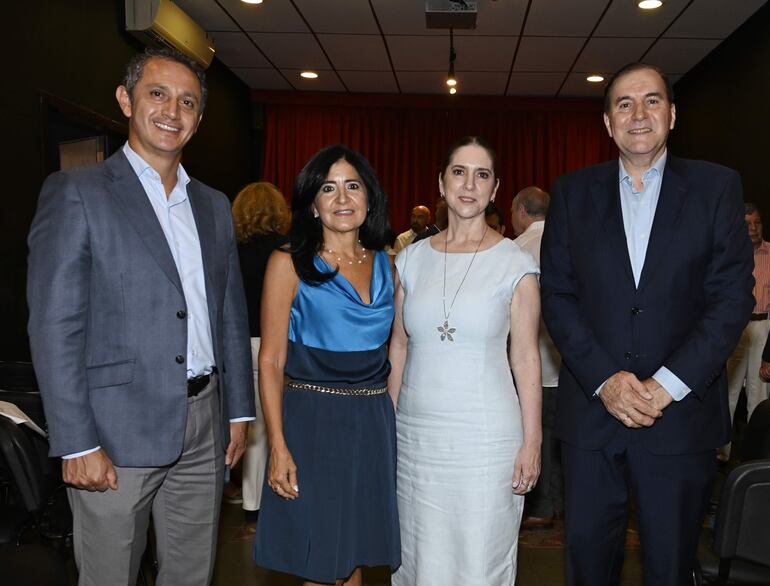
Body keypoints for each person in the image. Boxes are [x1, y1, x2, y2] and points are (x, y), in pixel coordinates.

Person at [26, 48, 254, 585]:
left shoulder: (215, 206)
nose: (172, 110)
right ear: (126, 100)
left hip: (204, 427)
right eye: (158, 94)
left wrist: (238, 411)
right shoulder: (77, 193)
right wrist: (77, 441)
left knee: (191, 574)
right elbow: (54, 325)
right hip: (114, 430)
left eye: (188, 102)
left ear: (198, 121)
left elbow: (227, 312)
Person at [540, 62, 753, 586]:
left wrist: (667, 386)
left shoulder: (716, 188)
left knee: (670, 567)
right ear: (608, 124)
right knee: (587, 565)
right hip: (592, 416)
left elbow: (730, 299)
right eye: (624, 104)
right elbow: (558, 296)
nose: (639, 114)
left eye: (652, 101)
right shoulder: (571, 193)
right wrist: (607, 381)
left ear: (673, 115)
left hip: (680, 420)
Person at [389, 136, 542, 585]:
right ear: (441, 182)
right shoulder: (410, 260)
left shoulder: (515, 263)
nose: (469, 184)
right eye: (459, 172)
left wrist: (531, 443)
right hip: (415, 440)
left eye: (482, 174)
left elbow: (527, 358)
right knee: (418, 556)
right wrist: (388, 424)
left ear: (495, 189)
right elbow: (398, 347)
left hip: (487, 440)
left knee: (479, 558)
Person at [253, 145, 400, 585]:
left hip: (372, 423)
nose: (341, 198)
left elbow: (399, 352)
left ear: (369, 199)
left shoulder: (389, 267)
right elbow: (271, 360)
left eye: (352, 186)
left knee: (352, 552)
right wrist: (277, 444)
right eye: (328, 188)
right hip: (312, 423)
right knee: (318, 558)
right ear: (313, 205)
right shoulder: (288, 263)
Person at [232, 181, 291, 537]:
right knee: (276, 428)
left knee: (248, 429)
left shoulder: (230, 250)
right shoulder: (286, 251)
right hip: (276, 347)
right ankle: (271, 501)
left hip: (238, 348)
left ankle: (250, 505)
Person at [511, 186, 564, 530]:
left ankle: (543, 505)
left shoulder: (516, 251)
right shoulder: (569, 241)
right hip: (571, 364)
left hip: (536, 366)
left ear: (520, 211)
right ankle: (560, 502)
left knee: (537, 436)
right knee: (563, 438)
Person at [724, 203, 770, 459]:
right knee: (728, 393)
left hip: (763, 326)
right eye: (747, 224)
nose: (753, 229)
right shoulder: (728, 255)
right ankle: (722, 452)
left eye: (757, 223)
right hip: (734, 328)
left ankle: (754, 456)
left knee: (758, 393)